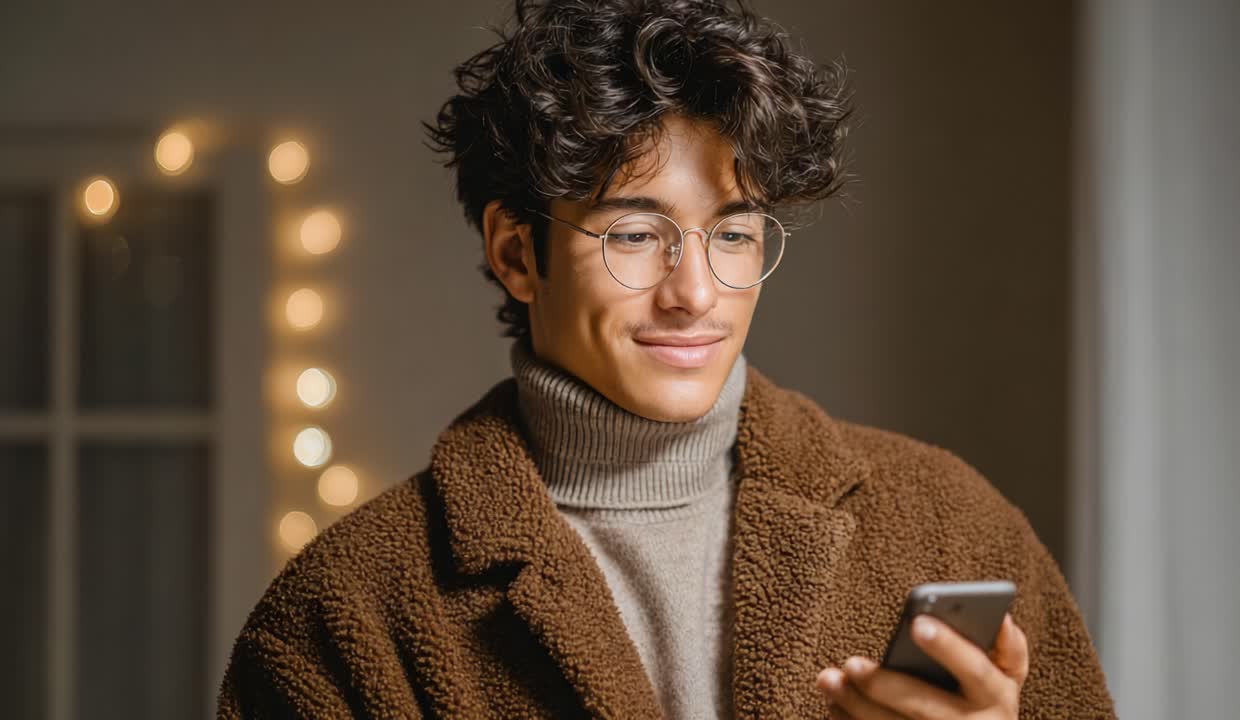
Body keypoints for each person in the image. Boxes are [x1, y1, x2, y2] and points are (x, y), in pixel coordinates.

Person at [216, 1, 1116, 717]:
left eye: (733, 233)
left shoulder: (953, 526)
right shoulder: (343, 615)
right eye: (635, 234)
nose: (695, 293)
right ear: (517, 253)